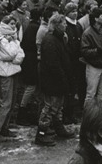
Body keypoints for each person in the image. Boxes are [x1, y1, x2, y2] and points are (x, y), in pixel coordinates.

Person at [36, 14, 74, 146]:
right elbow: (53, 65)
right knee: (50, 108)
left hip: (58, 80)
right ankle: (40, 135)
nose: (66, 25)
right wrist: (63, 79)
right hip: (52, 81)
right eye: (63, 23)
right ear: (56, 25)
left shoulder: (58, 38)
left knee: (58, 107)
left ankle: (59, 129)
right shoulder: (50, 40)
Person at [0, 20, 24, 142]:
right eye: (10, 24)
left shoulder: (13, 39)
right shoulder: (0, 40)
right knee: (5, 102)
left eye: (14, 24)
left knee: (12, 101)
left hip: (14, 71)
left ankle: (5, 127)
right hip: (4, 73)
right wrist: (16, 43)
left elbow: (20, 55)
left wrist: (13, 58)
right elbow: (10, 53)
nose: (13, 26)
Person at [80, 8, 102, 105]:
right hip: (93, 66)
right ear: (96, 19)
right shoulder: (87, 33)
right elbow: (84, 51)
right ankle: (88, 115)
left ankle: (101, 115)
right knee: (91, 94)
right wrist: (98, 51)